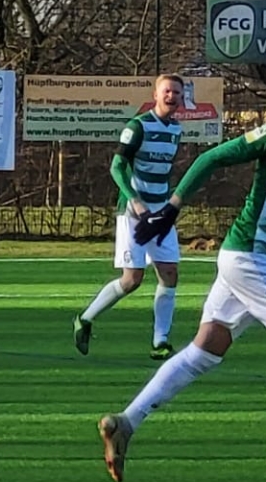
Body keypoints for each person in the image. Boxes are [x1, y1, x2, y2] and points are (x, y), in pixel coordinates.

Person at [98, 67, 266, 482]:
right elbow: (211, 158)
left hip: (256, 259)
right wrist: (172, 208)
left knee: (204, 352)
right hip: (249, 256)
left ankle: (125, 422)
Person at [76, 74, 185, 360]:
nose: (172, 96)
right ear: (156, 94)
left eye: (176, 92)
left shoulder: (176, 129)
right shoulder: (138, 126)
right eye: (167, 91)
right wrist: (135, 201)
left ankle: (160, 341)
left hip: (160, 213)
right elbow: (116, 166)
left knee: (170, 273)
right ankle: (85, 319)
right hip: (134, 214)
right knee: (132, 279)